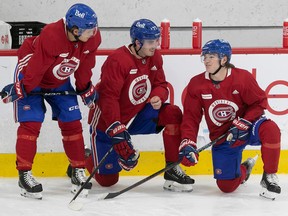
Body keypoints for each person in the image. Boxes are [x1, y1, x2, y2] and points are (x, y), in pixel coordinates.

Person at [1, 3, 101, 199]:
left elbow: (84, 66)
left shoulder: (92, 38)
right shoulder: (52, 35)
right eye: (89, 30)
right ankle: (24, 174)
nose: (93, 33)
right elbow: (37, 68)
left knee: (72, 120)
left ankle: (78, 171)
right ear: (75, 29)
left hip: (59, 78)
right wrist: (22, 87)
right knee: (32, 121)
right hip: (32, 74)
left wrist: (83, 87)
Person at [84, 18, 194, 192]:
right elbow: (108, 98)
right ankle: (86, 159)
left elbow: (161, 84)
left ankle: (172, 167)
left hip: (137, 115)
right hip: (107, 120)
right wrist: (115, 126)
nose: (155, 45)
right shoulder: (117, 61)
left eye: (157, 40)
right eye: (151, 42)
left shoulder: (154, 57)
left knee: (172, 113)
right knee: (108, 180)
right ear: (137, 42)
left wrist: (158, 95)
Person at [178, 39, 281, 200]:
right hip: (223, 138)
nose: (206, 60)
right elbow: (191, 118)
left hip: (248, 128)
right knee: (226, 187)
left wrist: (245, 121)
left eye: (211, 56)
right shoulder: (196, 84)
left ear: (224, 59)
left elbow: (259, 103)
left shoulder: (242, 78)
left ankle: (269, 176)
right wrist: (188, 142)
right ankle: (245, 168)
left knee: (271, 129)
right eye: (204, 56)